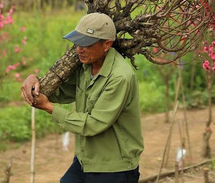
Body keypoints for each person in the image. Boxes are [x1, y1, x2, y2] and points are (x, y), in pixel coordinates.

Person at [21, 13, 143, 183]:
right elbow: (62, 92)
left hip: (114, 168)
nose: (79, 49)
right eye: (78, 42)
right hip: (86, 160)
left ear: (107, 44)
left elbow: (93, 124)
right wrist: (35, 80)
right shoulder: (86, 67)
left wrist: (49, 108)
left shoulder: (120, 77)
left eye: (86, 44)